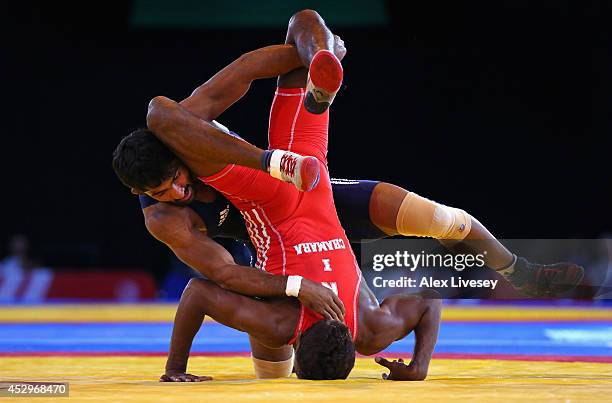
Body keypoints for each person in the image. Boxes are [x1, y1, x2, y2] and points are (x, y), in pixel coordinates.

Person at [112, 9, 583, 380]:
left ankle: (520, 271)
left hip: (293, 189)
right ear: (142, 193)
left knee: (447, 221)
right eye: (163, 191)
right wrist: (300, 287)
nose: (178, 190)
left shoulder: (186, 138)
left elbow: (233, 76)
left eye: (177, 176)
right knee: (268, 360)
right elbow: (223, 273)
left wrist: (313, 56)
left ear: (179, 156)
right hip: (292, 201)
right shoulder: (163, 217)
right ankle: (310, 89)